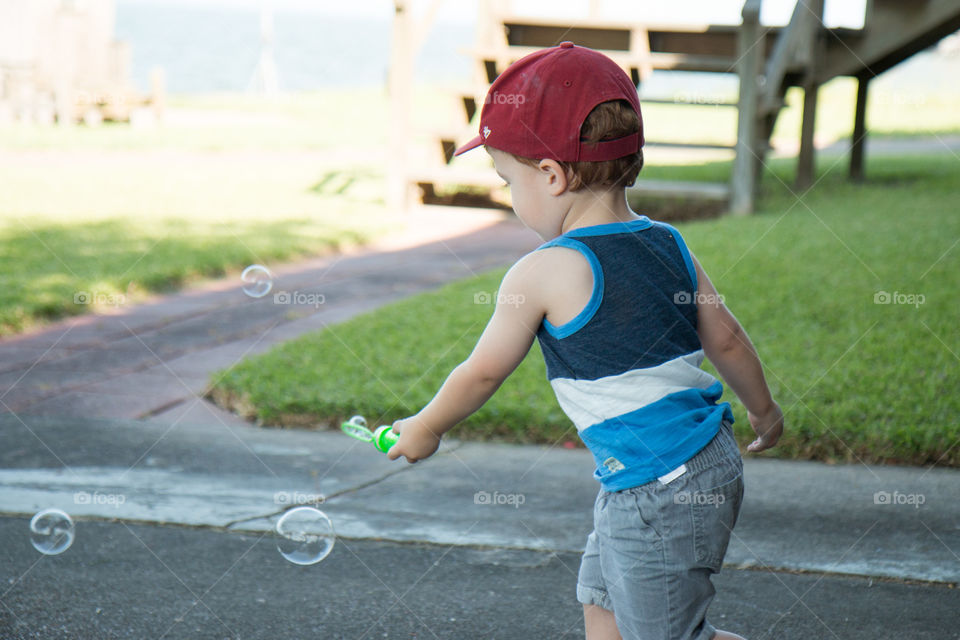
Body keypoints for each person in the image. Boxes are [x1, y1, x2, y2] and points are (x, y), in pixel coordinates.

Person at [386, 42, 783, 640]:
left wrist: (427, 425)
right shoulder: (669, 242)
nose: (509, 194)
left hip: (660, 485)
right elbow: (725, 339)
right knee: (604, 610)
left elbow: (483, 371)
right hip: (684, 467)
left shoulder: (542, 271)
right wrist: (764, 409)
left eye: (507, 180)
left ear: (551, 175)